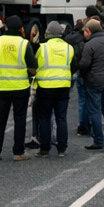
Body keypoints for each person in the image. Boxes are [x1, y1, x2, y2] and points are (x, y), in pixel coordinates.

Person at [0, 15, 37, 161]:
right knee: (19, 119)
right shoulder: (24, 43)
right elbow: (33, 67)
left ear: (6, 27)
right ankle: (18, 152)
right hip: (20, 87)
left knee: (0, 119)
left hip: (1, 87)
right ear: (21, 29)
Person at [34, 21, 76, 158]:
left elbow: (35, 64)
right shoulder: (69, 48)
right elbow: (74, 66)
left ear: (48, 32)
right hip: (63, 86)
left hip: (45, 87)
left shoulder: (42, 47)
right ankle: (62, 149)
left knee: (45, 118)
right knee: (61, 118)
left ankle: (45, 149)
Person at [78, 17, 104, 150]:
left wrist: (83, 76)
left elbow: (84, 65)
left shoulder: (90, 45)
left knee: (95, 111)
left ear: (88, 31)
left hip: (94, 82)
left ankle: (98, 141)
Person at [67, 18, 90, 136]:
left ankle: (82, 125)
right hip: (86, 72)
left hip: (74, 71)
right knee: (89, 99)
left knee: (81, 100)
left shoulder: (70, 39)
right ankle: (88, 124)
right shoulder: (86, 40)